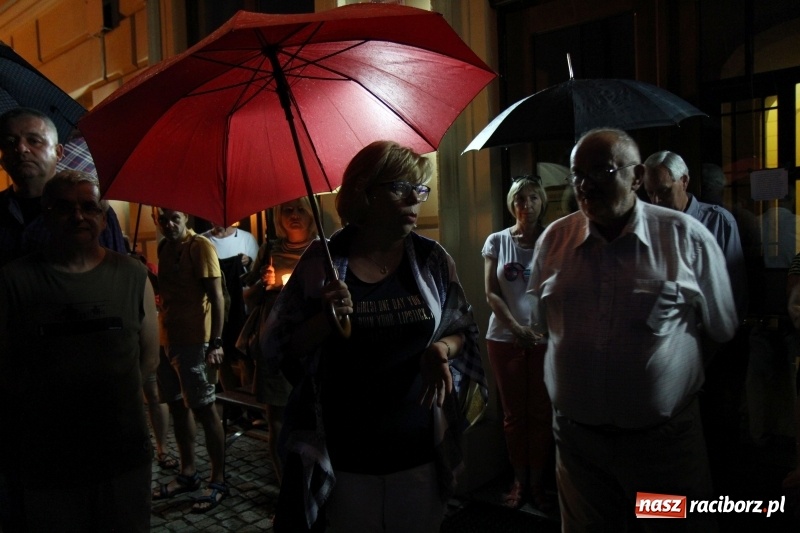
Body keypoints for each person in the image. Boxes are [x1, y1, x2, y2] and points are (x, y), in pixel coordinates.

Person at [263, 140, 487, 532]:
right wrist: (324, 319)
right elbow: (278, 349)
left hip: (418, 453)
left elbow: (462, 329)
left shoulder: (432, 259)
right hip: (346, 458)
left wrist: (440, 349)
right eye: (403, 187)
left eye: (421, 189)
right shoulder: (323, 261)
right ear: (365, 193)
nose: (415, 200)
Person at [527, 129, 738, 531]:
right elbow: (543, 326)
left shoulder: (685, 237)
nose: (586, 185)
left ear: (637, 176)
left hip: (661, 449)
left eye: (601, 171)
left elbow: (722, 327)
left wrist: (664, 376)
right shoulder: (554, 240)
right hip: (578, 448)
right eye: (577, 174)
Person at [0, 170, 158, 531]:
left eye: (90, 207)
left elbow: (148, 357)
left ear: (104, 217)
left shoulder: (133, 276)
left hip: (122, 451)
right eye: (64, 208)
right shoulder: (14, 280)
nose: (79, 217)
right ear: (46, 214)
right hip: (48, 456)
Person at [481, 175, 554, 511]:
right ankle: (518, 481)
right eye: (520, 199)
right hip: (504, 337)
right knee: (514, 415)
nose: (527, 205)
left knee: (539, 412)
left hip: (543, 337)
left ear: (543, 202)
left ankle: (537, 483)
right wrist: (515, 327)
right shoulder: (497, 241)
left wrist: (537, 329)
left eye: (533, 198)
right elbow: (491, 293)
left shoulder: (553, 239)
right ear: (512, 204)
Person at [151, 208, 230, 513]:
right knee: (176, 405)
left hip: (196, 340)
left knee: (204, 409)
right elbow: (168, 292)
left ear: (185, 217)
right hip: (168, 338)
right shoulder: (163, 247)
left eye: (174, 218)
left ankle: (218, 479)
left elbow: (217, 295)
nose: (168, 224)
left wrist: (216, 342)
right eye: (162, 219)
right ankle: (188, 472)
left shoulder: (200, 246)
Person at [240, 197, 318, 485]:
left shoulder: (320, 249)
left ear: (311, 214)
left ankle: (312, 485)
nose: (294, 215)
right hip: (274, 347)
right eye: (287, 210)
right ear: (278, 216)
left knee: (312, 419)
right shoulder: (270, 251)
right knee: (278, 422)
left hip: (311, 349)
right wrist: (265, 283)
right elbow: (247, 297)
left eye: (300, 209)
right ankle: (286, 489)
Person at [0, 107, 126, 266]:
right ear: (2, 159)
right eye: (10, 142)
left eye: (33, 140)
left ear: (58, 152)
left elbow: (116, 274)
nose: (21, 149)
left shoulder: (92, 209)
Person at [642, 150, 746, 320]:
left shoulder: (718, 221)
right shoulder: (647, 225)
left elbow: (734, 285)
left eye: (664, 191)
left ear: (684, 181)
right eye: (650, 193)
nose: (656, 201)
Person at [202, 224, 259, 392]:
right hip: (215, 307)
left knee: (244, 355)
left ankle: (250, 408)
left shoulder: (246, 238)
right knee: (222, 357)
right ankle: (232, 408)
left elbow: (256, 273)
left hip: (241, 306)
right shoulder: (203, 241)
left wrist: (248, 262)